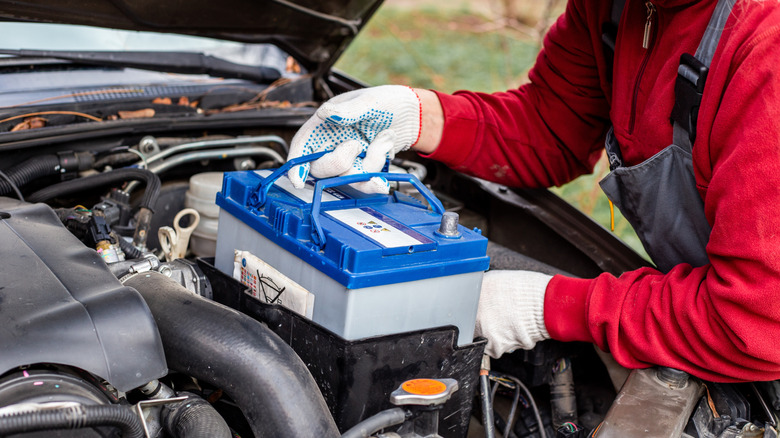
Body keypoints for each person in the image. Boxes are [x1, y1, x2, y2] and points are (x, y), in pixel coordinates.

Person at [285, 0, 780, 383]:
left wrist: (548, 306)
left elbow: (757, 323)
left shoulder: (765, 45)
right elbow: (551, 127)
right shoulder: (614, 7)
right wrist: (414, 115)